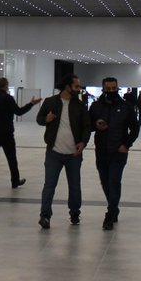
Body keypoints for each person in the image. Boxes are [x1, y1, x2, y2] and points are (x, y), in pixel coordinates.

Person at [36, 74, 91, 229]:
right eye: (76, 86)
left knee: (74, 185)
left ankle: (74, 212)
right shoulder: (50, 102)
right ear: (68, 87)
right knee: (49, 185)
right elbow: (39, 119)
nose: (79, 89)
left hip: (74, 154)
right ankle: (45, 215)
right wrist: (46, 119)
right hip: (54, 152)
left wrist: (83, 142)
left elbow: (87, 126)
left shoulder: (80, 105)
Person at [88, 76, 140, 230]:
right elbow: (88, 125)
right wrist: (96, 124)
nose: (111, 91)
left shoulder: (126, 106)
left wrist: (126, 144)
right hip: (101, 151)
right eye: (108, 89)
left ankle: (110, 215)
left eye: (114, 88)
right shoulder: (96, 107)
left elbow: (135, 127)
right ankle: (114, 208)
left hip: (118, 152)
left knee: (114, 181)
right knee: (105, 182)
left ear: (117, 88)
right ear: (103, 89)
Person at [0, 77, 39, 190]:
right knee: (11, 158)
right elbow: (19, 112)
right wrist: (31, 104)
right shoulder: (8, 98)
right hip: (6, 133)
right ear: (6, 85)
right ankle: (15, 181)